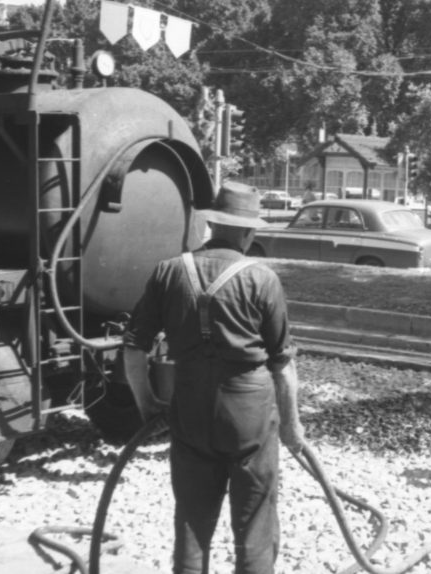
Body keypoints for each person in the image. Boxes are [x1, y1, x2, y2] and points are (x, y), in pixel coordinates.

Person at [123, 181, 305, 574]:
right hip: (249, 416)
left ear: (213, 225)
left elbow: (134, 349)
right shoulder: (262, 279)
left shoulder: (168, 272)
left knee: (191, 522)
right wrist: (292, 427)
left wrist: (148, 405)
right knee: (255, 523)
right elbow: (283, 365)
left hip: (189, 407)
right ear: (248, 232)